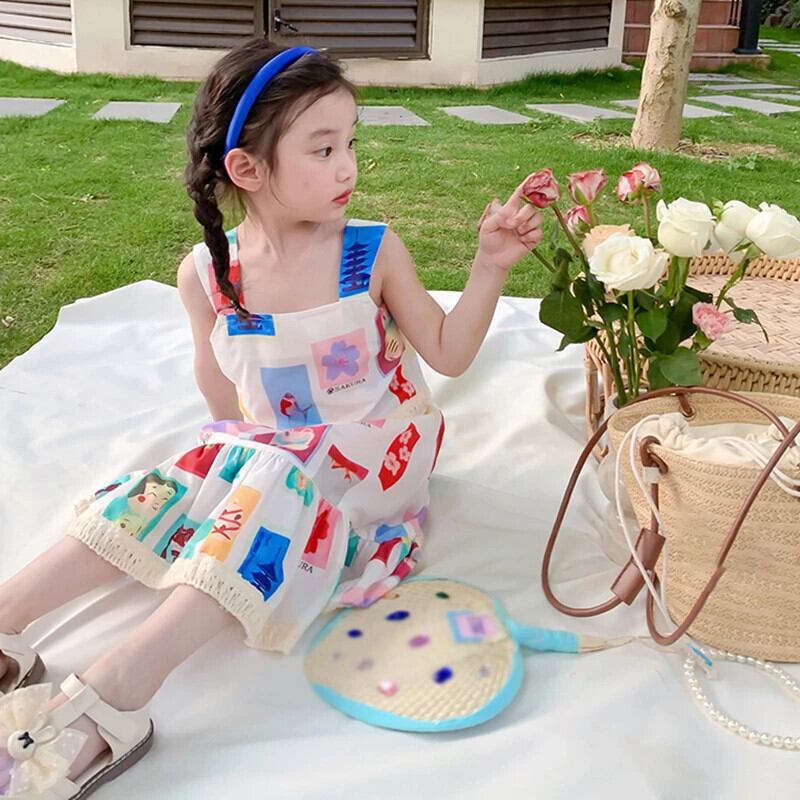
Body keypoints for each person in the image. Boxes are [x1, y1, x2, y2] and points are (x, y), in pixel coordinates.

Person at [0, 39, 542, 799]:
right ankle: (7, 619)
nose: (348, 167)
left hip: (378, 458)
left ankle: (119, 687)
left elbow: (448, 354)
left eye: (350, 143)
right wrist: (217, 473)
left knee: (274, 481)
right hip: (280, 452)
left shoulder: (371, 252)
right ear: (247, 169)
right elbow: (219, 387)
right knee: (175, 484)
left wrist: (489, 266)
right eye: (323, 149)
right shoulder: (207, 273)